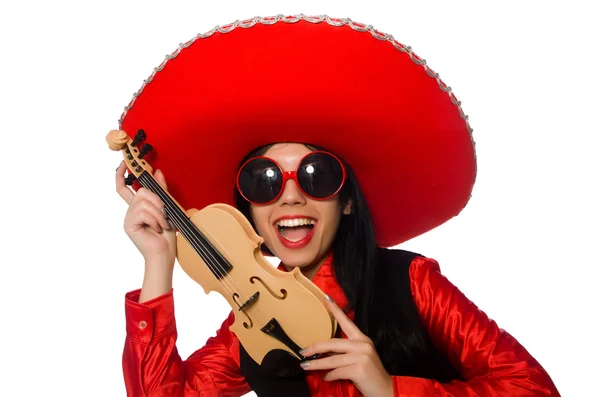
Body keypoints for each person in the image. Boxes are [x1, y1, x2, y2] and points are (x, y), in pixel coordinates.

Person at [114, 15, 560, 397]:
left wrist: (390, 389)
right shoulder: (249, 323)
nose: (290, 195)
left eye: (316, 175)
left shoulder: (413, 283)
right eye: (263, 180)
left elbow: (533, 389)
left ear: (346, 202)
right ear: (248, 211)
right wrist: (158, 262)